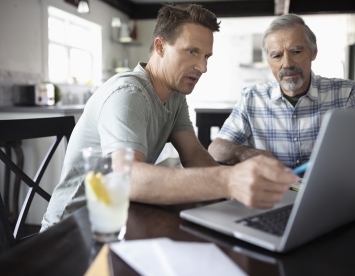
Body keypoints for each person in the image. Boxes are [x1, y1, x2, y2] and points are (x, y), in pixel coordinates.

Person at [41, 4, 299, 231]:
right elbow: (126, 179)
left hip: (121, 217)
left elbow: (194, 155)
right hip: (74, 228)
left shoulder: (174, 95)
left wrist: (241, 189)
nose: (203, 67)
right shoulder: (127, 94)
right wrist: (229, 181)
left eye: (206, 56)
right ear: (160, 46)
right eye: (192, 52)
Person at [208, 13, 355, 169]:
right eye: (277, 55)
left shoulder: (345, 93)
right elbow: (216, 149)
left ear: (313, 53)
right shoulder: (251, 98)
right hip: (271, 193)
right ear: (269, 61)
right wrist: (242, 152)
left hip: (330, 191)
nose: (287, 63)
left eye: (296, 52)